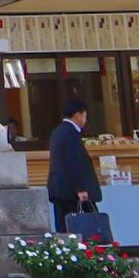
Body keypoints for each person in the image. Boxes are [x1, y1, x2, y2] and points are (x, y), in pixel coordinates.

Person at [47, 99, 101, 231]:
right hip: (71, 191)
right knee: (84, 228)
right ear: (78, 115)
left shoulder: (58, 132)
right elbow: (75, 163)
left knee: (64, 227)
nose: (85, 120)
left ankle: (67, 251)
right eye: (84, 116)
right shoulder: (71, 133)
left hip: (59, 190)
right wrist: (81, 189)